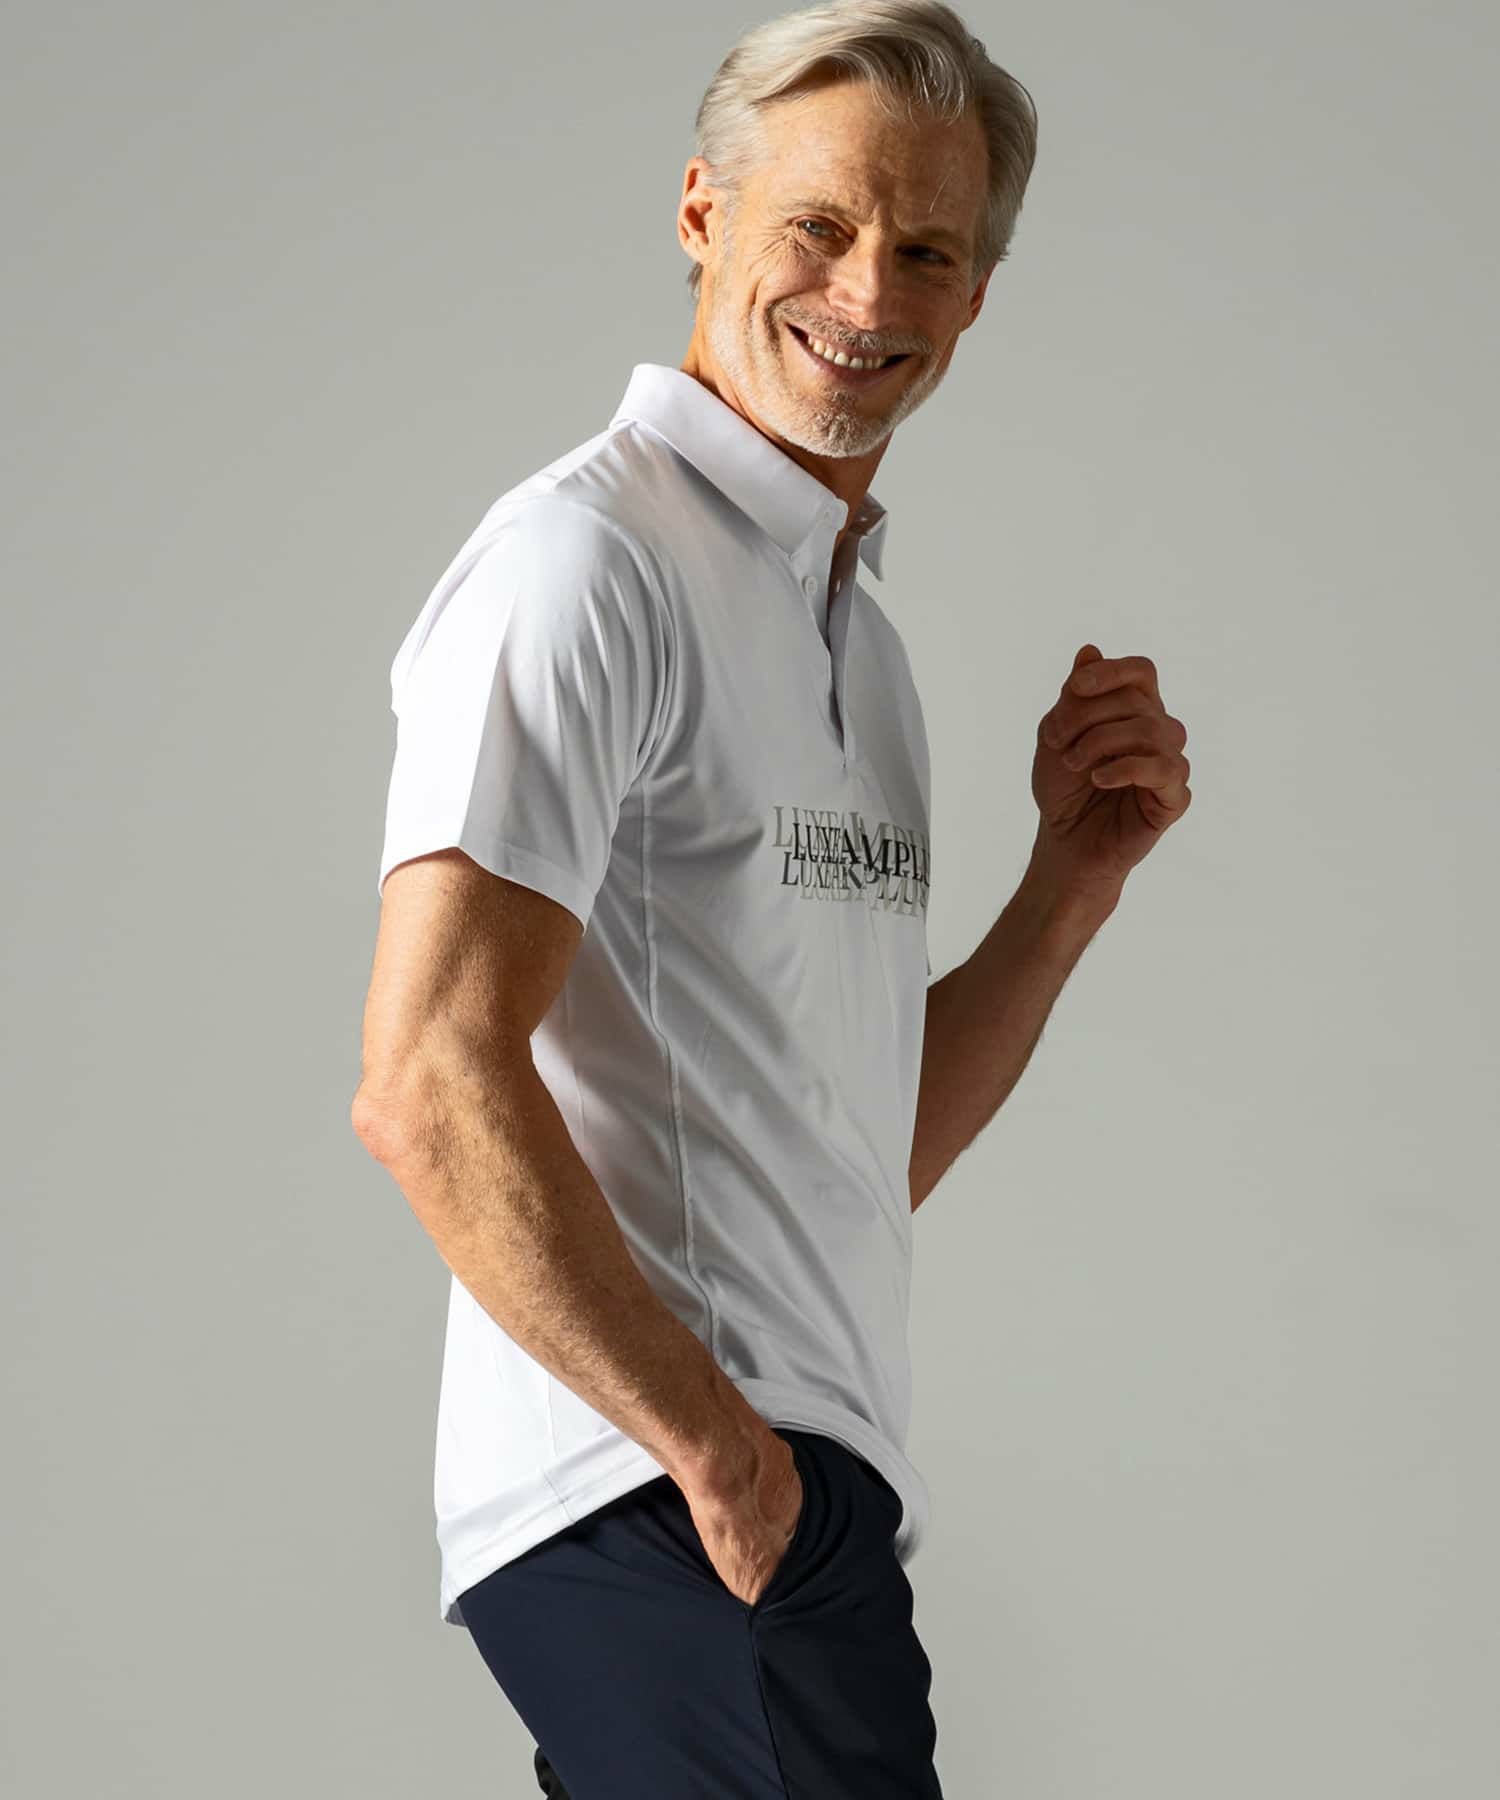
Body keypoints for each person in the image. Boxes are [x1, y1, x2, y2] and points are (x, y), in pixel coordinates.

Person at [352, 3, 1191, 1794]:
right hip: (660, 1492)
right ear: (700, 214)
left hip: (783, 1490)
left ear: (977, 297)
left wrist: (1064, 892)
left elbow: (850, 1148)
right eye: (819, 224)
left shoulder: (858, 647)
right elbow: (428, 1078)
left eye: (929, 250)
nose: (867, 291)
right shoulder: (583, 563)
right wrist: (717, 1456)